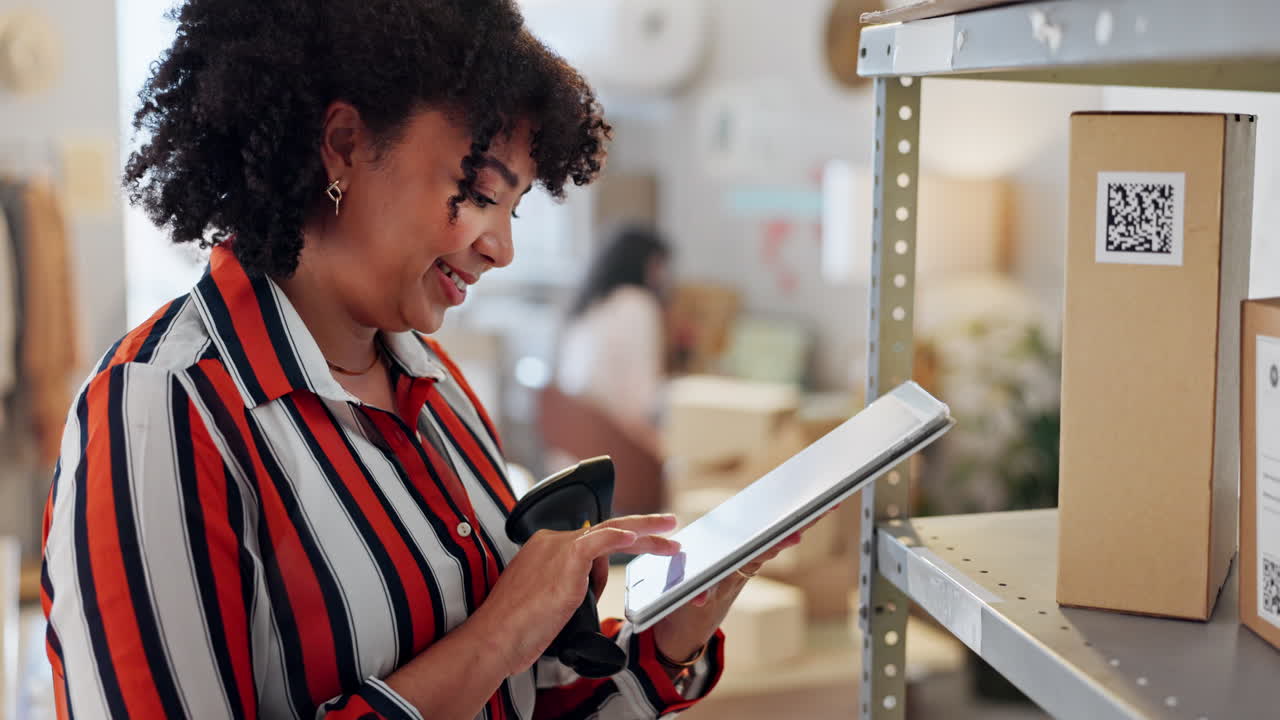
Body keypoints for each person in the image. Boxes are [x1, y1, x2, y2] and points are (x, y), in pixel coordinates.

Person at [39, 2, 812, 719]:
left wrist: (673, 635)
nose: (501, 247)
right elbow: (493, 658)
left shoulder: (433, 385)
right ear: (344, 146)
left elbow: (513, 703)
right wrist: (498, 636)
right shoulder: (163, 410)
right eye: (478, 193)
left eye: (515, 210)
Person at [557, 226, 672, 458]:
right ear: (644, 263)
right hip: (615, 444)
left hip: (576, 443)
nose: (663, 275)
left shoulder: (591, 305)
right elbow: (642, 398)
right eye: (659, 265)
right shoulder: (637, 304)